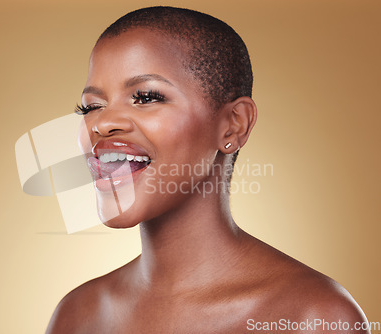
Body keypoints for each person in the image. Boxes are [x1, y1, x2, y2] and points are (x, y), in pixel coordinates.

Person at [46, 6, 369, 333]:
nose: (101, 123)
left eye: (145, 97)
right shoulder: (78, 316)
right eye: (91, 106)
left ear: (233, 125)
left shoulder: (316, 317)